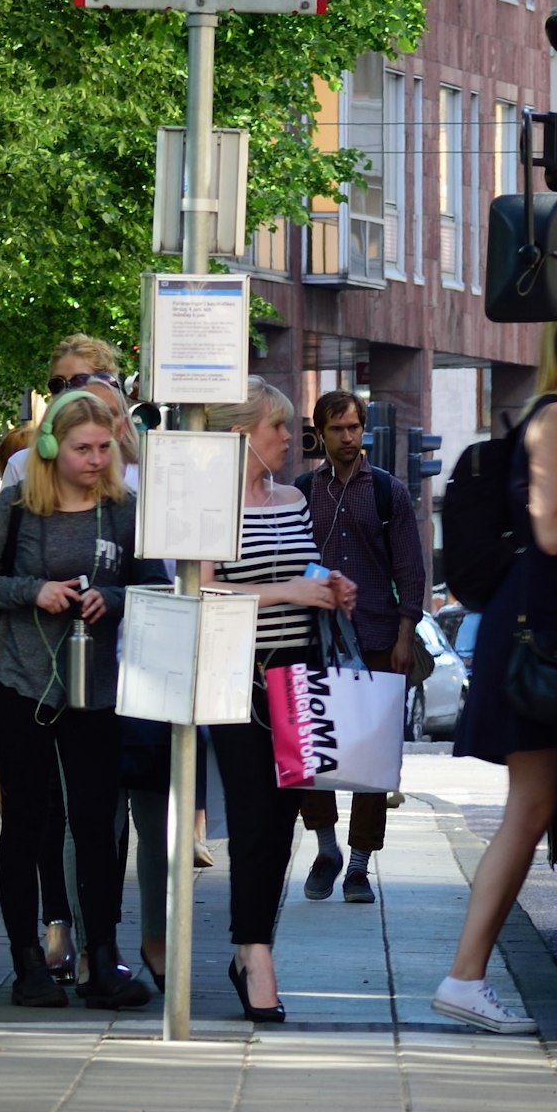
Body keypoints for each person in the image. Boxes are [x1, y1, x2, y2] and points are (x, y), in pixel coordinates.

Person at [0, 386, 161, 1009]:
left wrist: (114, 599)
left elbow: (152, 584)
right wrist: (32, 591)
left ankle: (103, 956)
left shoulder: (123, 510)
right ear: (52, 447)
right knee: (27, 821)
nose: (96, 460)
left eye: (104, 448)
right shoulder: (19, 505)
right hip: (21, 681)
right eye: (82, 448)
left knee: (98, 824)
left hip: (94, 688)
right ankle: (27, 962)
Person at [436, 339, 557, 1036]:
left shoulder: (555, 414)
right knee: (528, 809)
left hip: (537, 627)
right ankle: (465, 976)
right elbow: (552, 532)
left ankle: (466, 976)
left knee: (533, 808)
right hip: (537, 633)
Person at [207, 379, 352, 1024]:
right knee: (252, 817)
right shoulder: (209, 505)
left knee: (285, 818)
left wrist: (330, 584)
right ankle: (253, 951)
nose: (292, 438)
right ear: (243, 435)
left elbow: (305, 568)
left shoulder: (292, 498)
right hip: (238, 674)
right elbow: (205, 593)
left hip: (295, 673)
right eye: (279, 427)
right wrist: (294, 591)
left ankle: (255, 945)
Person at [291, 389, 426, 905]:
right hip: (315, 636)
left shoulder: (388, 491)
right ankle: (325, 849)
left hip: (375, 635)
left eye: (355, 428)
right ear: (320, 433)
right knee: (309, 749)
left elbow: (410, 570)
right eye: (338, 430)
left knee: (372, 758)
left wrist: (403, 635)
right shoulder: (303, 491)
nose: (349, 438)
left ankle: (360, 866)